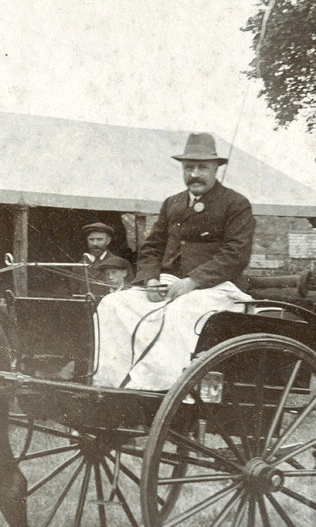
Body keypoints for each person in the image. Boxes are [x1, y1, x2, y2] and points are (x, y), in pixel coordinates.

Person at [93, 132, 255, 390]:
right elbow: (152, 246)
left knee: (178, 311)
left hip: (217, 288)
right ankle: (110, 384)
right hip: (168, 283)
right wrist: (151, 278)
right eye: (188, 167)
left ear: (216, 168)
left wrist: (193, 281)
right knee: (112, 303)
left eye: (202, 167)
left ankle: (160, 390)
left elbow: (236, 254)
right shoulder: (173, 203)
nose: (195, 173)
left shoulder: (235, 204)